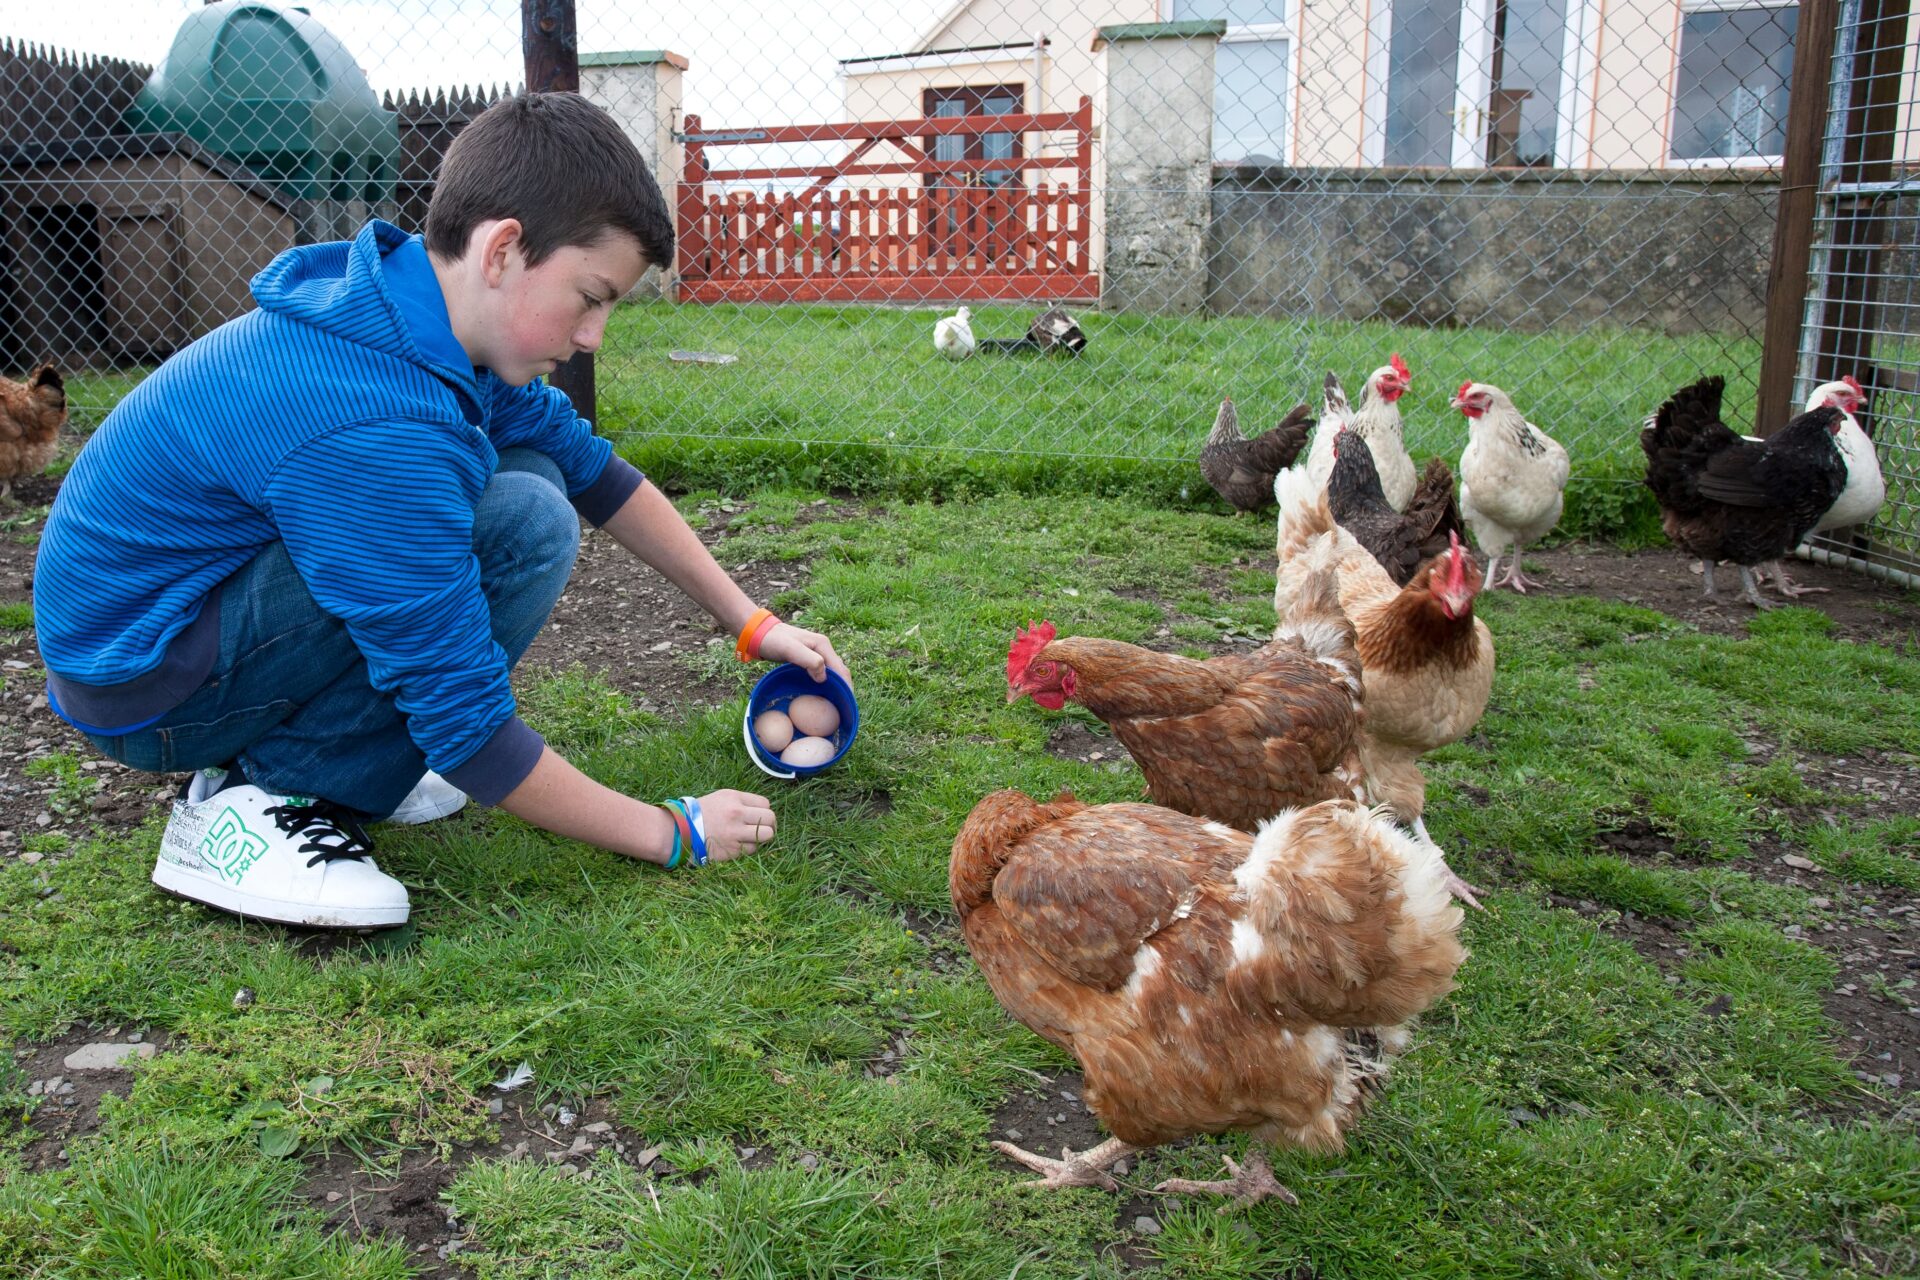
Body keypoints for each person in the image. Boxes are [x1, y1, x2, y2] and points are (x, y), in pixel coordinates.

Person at [32, 92, 847, 930]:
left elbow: (597, 476)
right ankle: (261, 797)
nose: (596, 334)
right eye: (591, 295)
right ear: (502, 250)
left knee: (532, 476)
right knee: (522, 524)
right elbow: (468, 729)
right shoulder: (380, 421)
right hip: (146, 683)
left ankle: (340, 757)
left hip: (185, 620)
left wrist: (754, 624)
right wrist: (673, 831)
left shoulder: (414, 316)